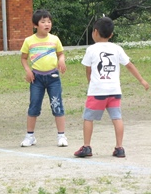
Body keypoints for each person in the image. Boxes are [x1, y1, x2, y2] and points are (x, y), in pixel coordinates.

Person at [74, 17, 149, 158]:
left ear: (95, 32)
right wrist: (142, 80)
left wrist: (90, 82)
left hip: (97, 91)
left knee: (88, 118)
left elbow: (88, 70)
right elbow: (129, 65)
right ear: (111, 35)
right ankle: (119, 148)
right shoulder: (117, 48)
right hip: (114, 91)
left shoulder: (91, 49)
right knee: (117, 118)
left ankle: (87, 147)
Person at [20, 9, 68, 147]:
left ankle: (61, 136)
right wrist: (28, 71)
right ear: (35, 25)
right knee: (34, 106)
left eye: (49, 21)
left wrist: (62, 60)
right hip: (37, 79)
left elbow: (61, 54)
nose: (47, 24)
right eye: (43, 22)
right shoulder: (29, 41)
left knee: (57, 105)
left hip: (53, 77)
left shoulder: (55, 39)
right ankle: (30, 136)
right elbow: (23, 58)